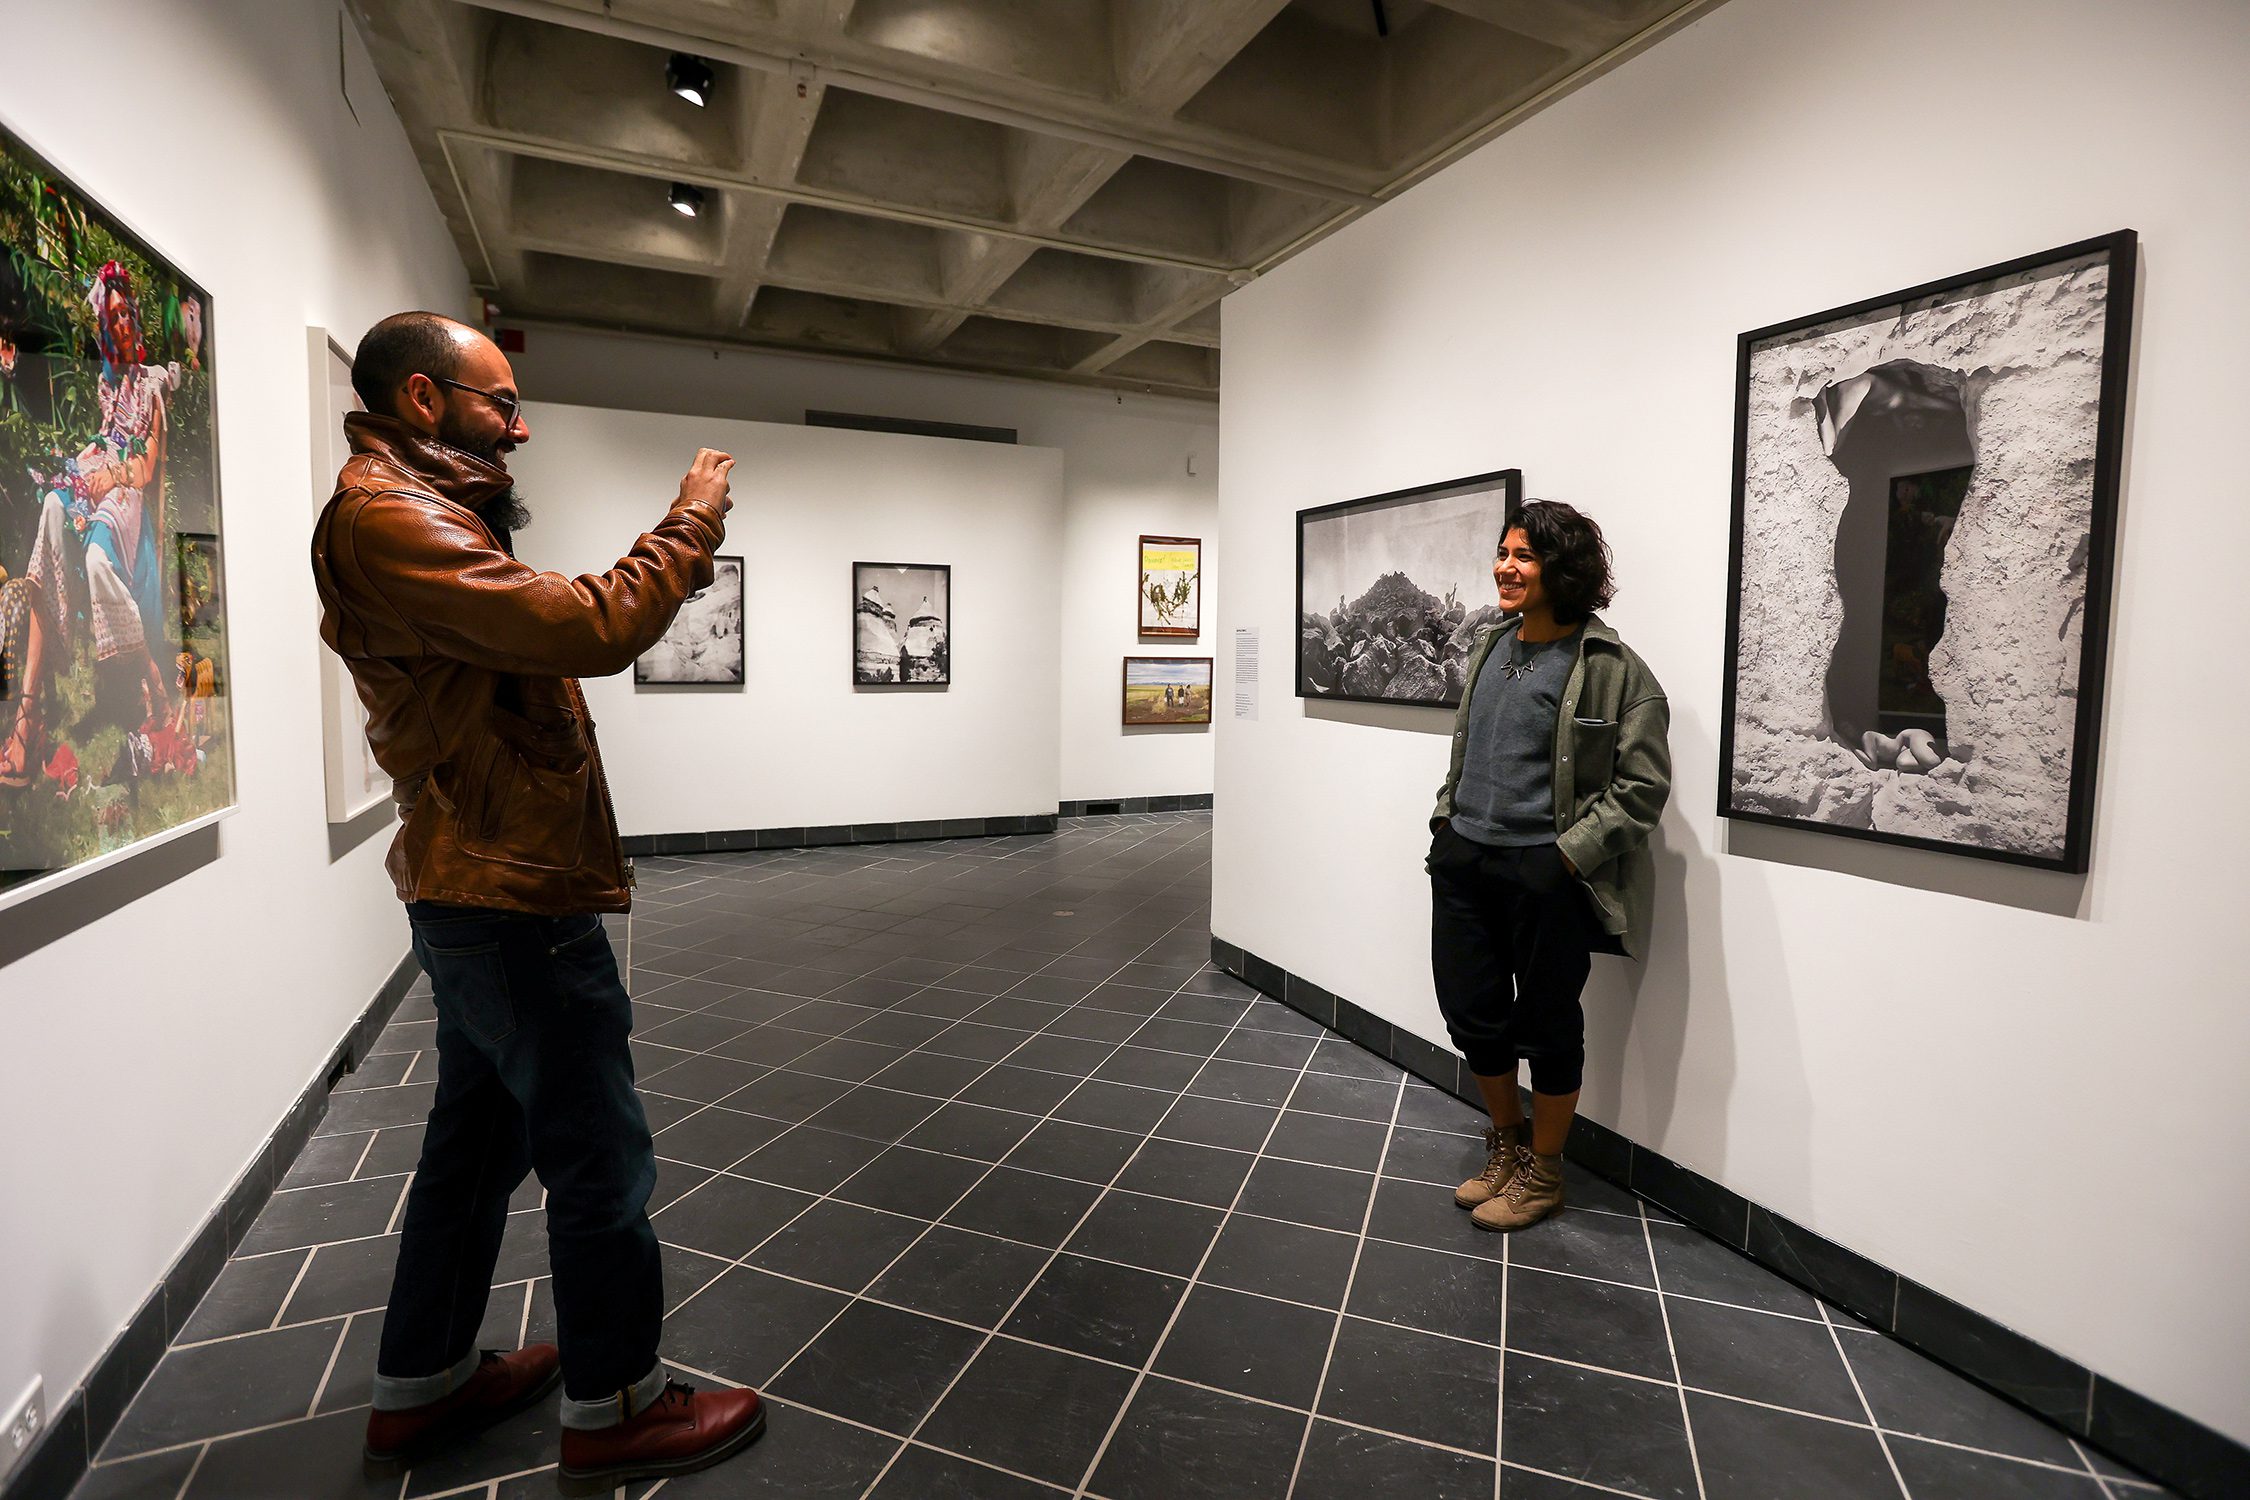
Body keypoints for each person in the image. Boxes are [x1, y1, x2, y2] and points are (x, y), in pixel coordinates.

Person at [310, 312, 763, 1492]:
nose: (518, 424)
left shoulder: (416, 508)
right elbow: (587, 624)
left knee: (476, 1145)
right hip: (506, 891)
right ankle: (616, 1405)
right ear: (422, 399)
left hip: (482, 875)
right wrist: (693, 519)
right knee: (597, 1149)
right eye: (498, 400)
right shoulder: (389, 515)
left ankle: (425, 1384)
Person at [1426, 500, 1670, 1231]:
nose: (1505, 567)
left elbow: (1642, 790)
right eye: (1503, 552)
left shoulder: (1614, 669)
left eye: (1524, 556)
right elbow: (1467, 749)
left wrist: (1566, 856)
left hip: (1546, 871)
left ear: (1562, 570)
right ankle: (1505, 1143)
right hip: (1466, 858)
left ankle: (1545, 1173)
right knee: (1473, 1015)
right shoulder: (1488, 647)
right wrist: (1447, 822)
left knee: (1547, 1026)